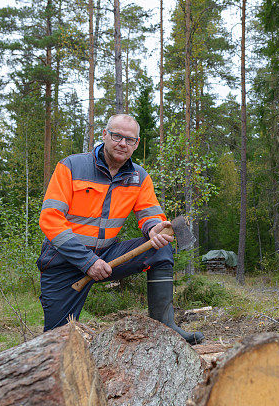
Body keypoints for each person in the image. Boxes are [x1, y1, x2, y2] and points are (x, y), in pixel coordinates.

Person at [37, 113, 203, 344]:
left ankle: (166, 328)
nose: (122, 144)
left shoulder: (139, 177)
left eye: (130, 140)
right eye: (116, 136)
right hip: (64, 260)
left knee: (160, 248)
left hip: (106, 257)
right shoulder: (71, 167)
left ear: (136, 144)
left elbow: (150, 213)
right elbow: (50, 219)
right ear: (104, 135)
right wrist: (87, 261)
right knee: (57, 342)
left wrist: (154, 229)